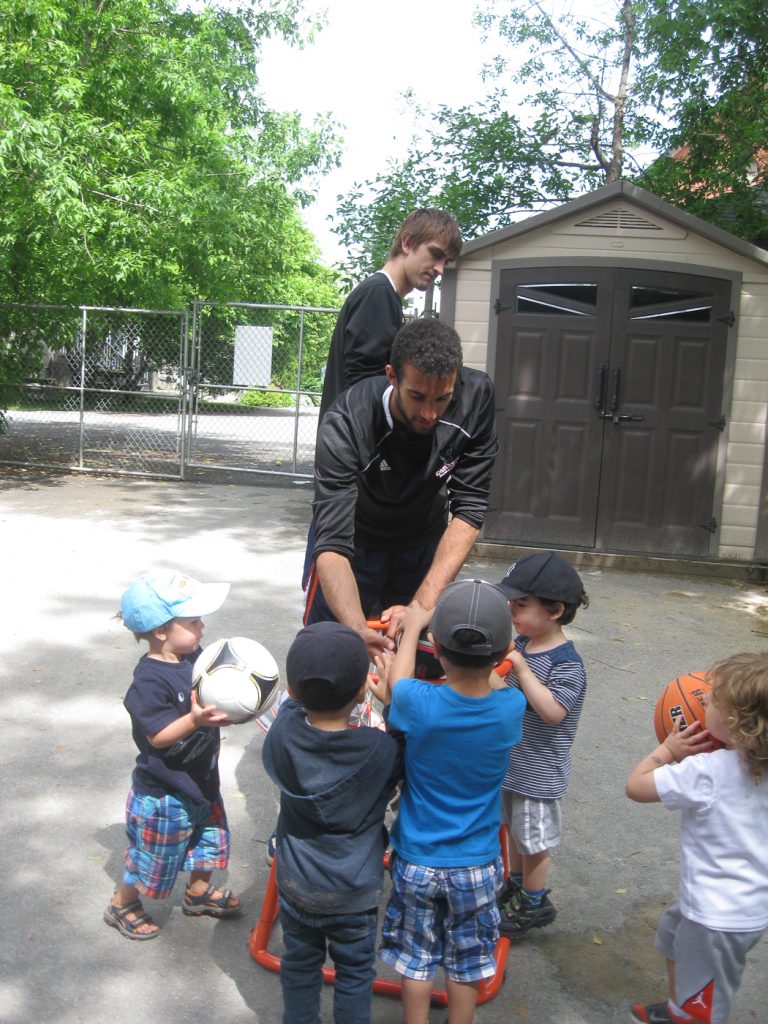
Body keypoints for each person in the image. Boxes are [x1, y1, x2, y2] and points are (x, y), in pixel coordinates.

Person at [369, 579, 526, 1024]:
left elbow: (397, 685)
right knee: (467, 959)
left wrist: (412, 628)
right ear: (502, 655)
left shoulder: (416, 702)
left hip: (416, 857)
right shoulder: (509, 707)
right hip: (477, 862)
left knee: (417, 957)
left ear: (436, 647)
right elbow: (490, 683)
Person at [304, 317, 498, 661]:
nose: (429, 413)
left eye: (443, 399)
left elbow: (470, 508)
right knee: (332, 658)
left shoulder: (477, 397)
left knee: (416, 664)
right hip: (354, 541)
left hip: (422, 541)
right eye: (417, 396)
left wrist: (423, 604)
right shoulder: (347, 421)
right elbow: (332, 542)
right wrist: (355, 628)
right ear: (392, 376)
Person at [262, 621, 402, 1024]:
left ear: (292, 691)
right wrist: (392, 702)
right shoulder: (378, 750)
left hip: (295, 883)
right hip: (353, 892)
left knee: (300, 964)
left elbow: (292, 706)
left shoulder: (282, 735)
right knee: (355, 973)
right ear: (362, 690)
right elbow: (406, 741)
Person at [626, 651, 768, 1024]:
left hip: (715, 918)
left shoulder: (707, 771)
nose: (702, 698)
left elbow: (636, 786)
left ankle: (689, 1015)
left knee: (707, 1001)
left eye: (712, 699)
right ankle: (680, 1009)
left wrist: (668, 750)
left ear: (737, 722)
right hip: (741, 908)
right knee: (672, 934)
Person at [104, 571, 241, 940]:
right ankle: (122, 902)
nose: (202, 626)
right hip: (163, 794)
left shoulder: (193, 657)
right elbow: (160, 737)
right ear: (161, 631)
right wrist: (196, 720)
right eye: (193, 621)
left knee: (209, 840)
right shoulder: (149, 681)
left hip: (200, 781)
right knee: (153, 856)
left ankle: (197, 893)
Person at [493, 551, 589, 938]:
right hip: (513, 766)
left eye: (521, 605)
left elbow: (552, 711)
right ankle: (517, 886)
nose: (511, 611)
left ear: (555, 610)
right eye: (511, 603)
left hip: (539, 774)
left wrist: (519, 667)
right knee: (516, 835)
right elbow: (507, 696)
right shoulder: (522, 644)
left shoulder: (567, 663)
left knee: (535, 844)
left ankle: (532, 905)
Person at [318, 207, 463, 419]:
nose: (440, 269)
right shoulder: (377, 294)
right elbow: (362, 390)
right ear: (407, 243)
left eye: (446, 262)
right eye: (435, 254)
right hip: (352, 445)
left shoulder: (386, 296)